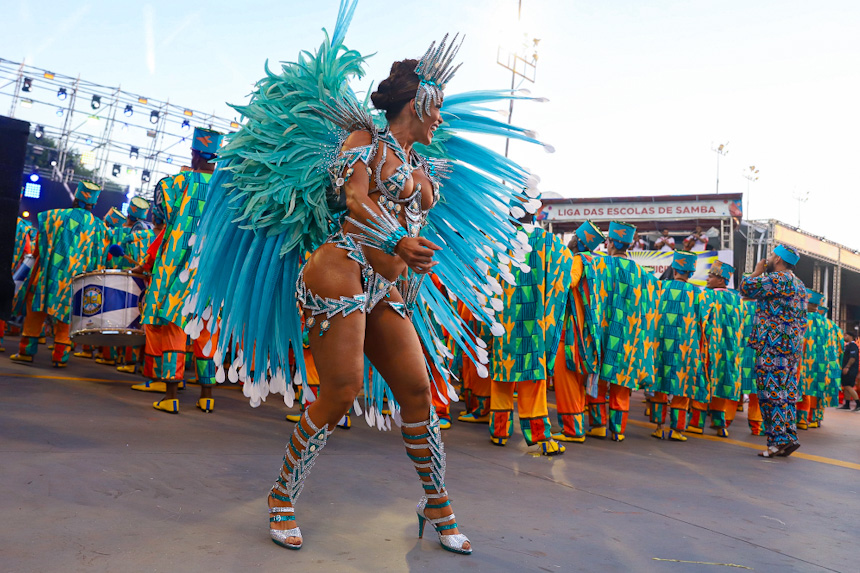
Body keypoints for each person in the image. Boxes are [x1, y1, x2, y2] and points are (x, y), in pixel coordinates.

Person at [186, 4, 551, 553]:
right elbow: (352, 200)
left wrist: (411, 268)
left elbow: (413, 220)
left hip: (386, 290)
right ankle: (281, 496)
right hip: (340, 270)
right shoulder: (364, 142)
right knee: (341, 391)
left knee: (417, 391)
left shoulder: (423, 168)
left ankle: (437, 502)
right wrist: (397, 242)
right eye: (437, 109)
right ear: (419, 102)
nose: (441, 120)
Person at [135, 128, 221, 413]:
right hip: (212, 268)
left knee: (175, 328)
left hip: (177, 265)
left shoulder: (174, 183)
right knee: (207, 329)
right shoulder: (230, 189)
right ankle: (206, 396)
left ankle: (171, 396)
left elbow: (160, 222)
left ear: (194, 154)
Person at [10, 181, 106, 367]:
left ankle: (26, 352)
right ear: (93, 204)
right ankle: (60, 358)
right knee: (67, 318)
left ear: (75, 198)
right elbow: (98, 258)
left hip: (48, 276)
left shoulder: (52, 216)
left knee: (35, 312)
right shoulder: (99, 227)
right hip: (77, 282)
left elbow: (37, 248)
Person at [586, 221, 654, 442]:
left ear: (610, 242)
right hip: (628, 336)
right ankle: (618, 430)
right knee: (622, 383)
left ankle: (597, 425)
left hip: (602, 333)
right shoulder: (642, 273)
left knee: (598, 379)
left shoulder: (598, 265)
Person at [739, 244, 807, 458]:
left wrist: (757, 271)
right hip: (791, 347)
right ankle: (788, 436)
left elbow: (745, 289)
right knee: (786, 393)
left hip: (772, 345)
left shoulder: (778, 279)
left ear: (778, 259)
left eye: (771, 255)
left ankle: (777, 441)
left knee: (770, 393)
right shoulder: (800, 284)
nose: (768, 259)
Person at [553, 221, 605, 443]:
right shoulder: (599, 263)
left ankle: (573, 430)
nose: (571, 239)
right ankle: (589, 425)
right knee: (580, 381)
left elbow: (569, 282)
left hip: (572, 333)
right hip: (592, 333)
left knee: (567, 382)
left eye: (574, 236)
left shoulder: (578, 259)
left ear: (580, 241)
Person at [648, 250, 707, 441]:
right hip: (686, 347)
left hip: (661, 343)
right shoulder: (698, 293)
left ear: (674, 269)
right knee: (683, 388)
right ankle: (677, 430)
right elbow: (703, 322)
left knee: (660, 384)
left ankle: (658, 427)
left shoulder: (660, 287)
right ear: (691, 273)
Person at [697, 261, 743, 438]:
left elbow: (700, 321)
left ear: (721, 280)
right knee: (722, 382)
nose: (707, 279)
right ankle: (720, 424)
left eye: (711, 276)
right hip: (730, 350)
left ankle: (696, 422)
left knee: (704, 382)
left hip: (709, 347)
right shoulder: (736, 299)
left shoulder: (707, 296)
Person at [840, 332, 859, 410]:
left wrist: (847, 367)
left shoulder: (853, 346)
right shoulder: (848, 346)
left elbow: (852, 358)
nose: (844, 337)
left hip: (850, 369)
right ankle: (847, 404)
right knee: (846, 385)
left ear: (851, 336)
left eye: (845, 335)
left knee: (848, 386)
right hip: (847, 369)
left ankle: (858, 403)